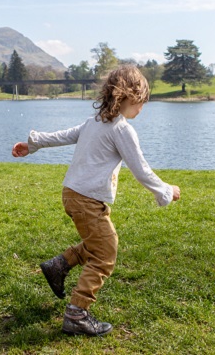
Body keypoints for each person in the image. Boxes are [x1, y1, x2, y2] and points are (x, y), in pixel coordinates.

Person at [11, 64, 181, 337]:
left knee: (98, 243)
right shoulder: (121, 129)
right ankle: (77, 314)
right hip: (87, 200)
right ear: (128, 96)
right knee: (106, 254)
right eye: (142, 101)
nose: (142, 108)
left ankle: (59, 265)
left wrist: (33, 144)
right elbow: (141, 169)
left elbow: (62, 135)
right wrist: (165, 190)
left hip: (73, 194)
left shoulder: (95, 122)